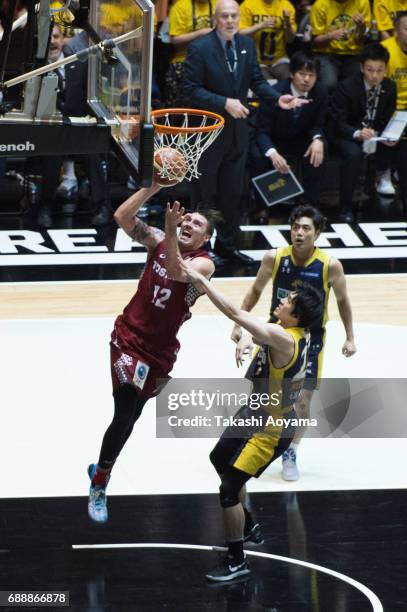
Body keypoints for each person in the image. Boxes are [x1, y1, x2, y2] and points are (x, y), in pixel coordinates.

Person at [180, 259, 323, 581]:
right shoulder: (296, 336)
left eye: (288, 302)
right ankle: (248, 525)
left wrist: (201, 282)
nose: (282, 301)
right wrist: (247, 339)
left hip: (270, 429)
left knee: (228, 488)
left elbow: (237, 314)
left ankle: (237, 559)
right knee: (218, 458)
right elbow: (259, 333)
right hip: (254, 413)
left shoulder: (283, 338)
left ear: (296, 316)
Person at [87, 191, 217, 523]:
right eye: (187, 218)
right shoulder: (159, 239)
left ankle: (102, 464)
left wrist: (171, 231)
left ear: (206, 238)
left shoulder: (205, 263)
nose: (188, 222)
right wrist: (153, 187)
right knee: (125, 406)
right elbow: (121, 217)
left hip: (161, 352)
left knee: (131, 419)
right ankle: (101, 481)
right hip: (128, 338)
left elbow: (176, 271)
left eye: (196, 223)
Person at [231, 204, 357, 481]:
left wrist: (350, 336)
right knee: (260, 393)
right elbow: (255, 290)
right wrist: (240, 325)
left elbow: (343, 302)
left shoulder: (329, 265)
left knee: (301, 401)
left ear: (318, 233)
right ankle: (249, 441)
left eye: (306, 229)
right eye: (295, 227)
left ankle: (290, 451)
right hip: (276, 333)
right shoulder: (274, 258)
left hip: (311, 341)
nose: (299, 233)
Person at [183, 0, 309, 264]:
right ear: (215, 19)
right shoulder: (199, 48)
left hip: (238, 132)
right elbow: (191, 89)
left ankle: (227, 247)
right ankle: (196, 251)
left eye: (234, 16)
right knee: (204, 195)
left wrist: (277, 99)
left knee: (233, 194)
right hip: (208, 132)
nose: (230, 20)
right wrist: (224, 102)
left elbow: (257, 81)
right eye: (225, 16)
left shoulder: (246, 45)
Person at [329, 43, 397, 220]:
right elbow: (337, 122)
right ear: (361, 67)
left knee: (401, 145)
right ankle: (345, 206)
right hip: (346, 134)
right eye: (370, 70)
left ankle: (394, 188)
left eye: (379, 70)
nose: (374, 76)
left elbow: (388, 118)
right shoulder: (347, 87)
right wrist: (357, 133)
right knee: (353, 154)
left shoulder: (389, 87)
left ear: (386, 69)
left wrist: (388, 135)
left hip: (374, 136)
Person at [253, 50, 328, 209]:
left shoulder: (321, 92)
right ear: (292, 73)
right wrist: (272, 153)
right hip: (273, 138)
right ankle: (260, 208)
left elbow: (318, 124)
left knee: (318, 150)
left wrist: (317, 138)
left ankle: (307, 203)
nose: (306, 79)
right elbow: (261, 131)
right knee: (258, 157)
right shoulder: (275, 93)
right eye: (302, 73)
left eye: (312, 75)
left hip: (299, 138)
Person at [309, 0, 371, 92]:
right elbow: (314, 41)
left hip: (353, 54)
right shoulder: (320, 4)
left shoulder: (362, 3)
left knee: (356, 85)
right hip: (327, 54)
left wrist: (361, 28)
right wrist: (330, 36)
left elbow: (361, 41)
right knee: (329, 84)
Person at [381, 12, 407, 213]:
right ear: (396, 30)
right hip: (389, 106)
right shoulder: (385, 50)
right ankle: (384, 172)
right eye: (406, 29)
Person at [239, 0, 297, 80]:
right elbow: (239, 34)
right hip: (256, 59)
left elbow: (290, 39)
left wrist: (288, 23)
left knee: (289, 80)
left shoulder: (286, 5)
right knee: (266, 85)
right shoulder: (248, 5)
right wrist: (260, 26)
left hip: (279, 58)